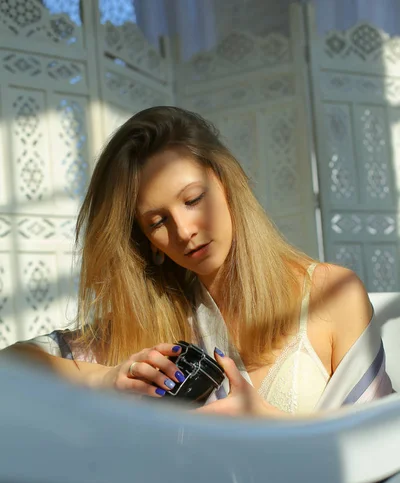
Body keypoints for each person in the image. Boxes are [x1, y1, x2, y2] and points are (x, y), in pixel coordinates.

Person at [2, 106, 393, 416]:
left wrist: (269, 424)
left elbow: (378, 446)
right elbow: (10, 368)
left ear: (226, 183)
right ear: (147, 241)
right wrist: (107, 380)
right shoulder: (145, 324)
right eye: (158, 221)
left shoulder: (332, 294)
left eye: (192, 199)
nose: (185, 229)